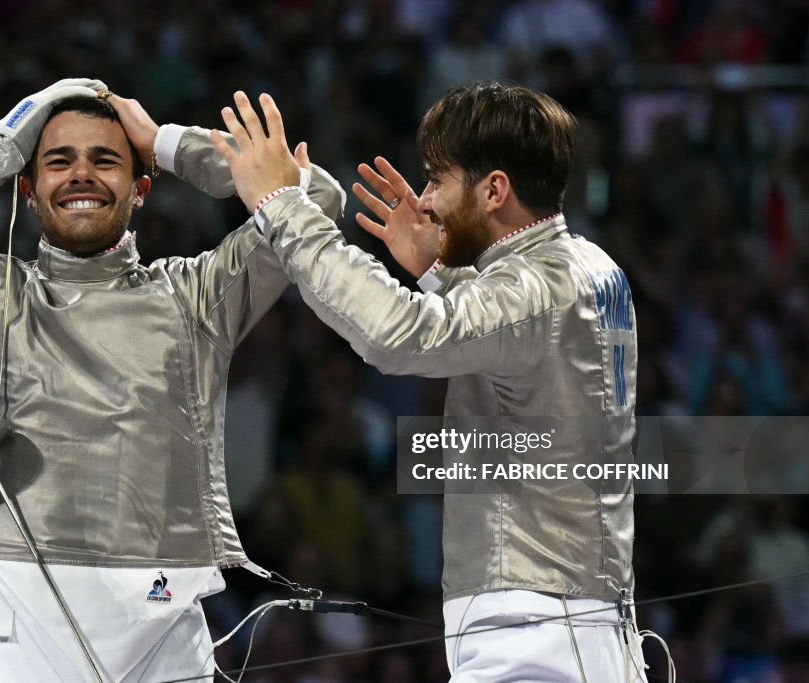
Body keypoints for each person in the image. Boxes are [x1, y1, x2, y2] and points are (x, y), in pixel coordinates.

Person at [0, 79, 344, 682]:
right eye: (58, 161)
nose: (81, 175)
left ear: (140, 188)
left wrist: (168, 142)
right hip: (19, 628)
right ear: (27, 189)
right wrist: (2, 145)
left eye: (105, 160)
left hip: (165, 627)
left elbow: (316, 201)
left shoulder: (196, 299)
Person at [209, 84, 647, 681]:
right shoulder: (592, 267)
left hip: (534, 627)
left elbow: (399, 335)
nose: (426, 200)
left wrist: (283, 204)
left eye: (438, 180)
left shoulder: (535, 289)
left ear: (494, 190)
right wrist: (442, 273)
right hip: (575, 619)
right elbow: (520, 355)